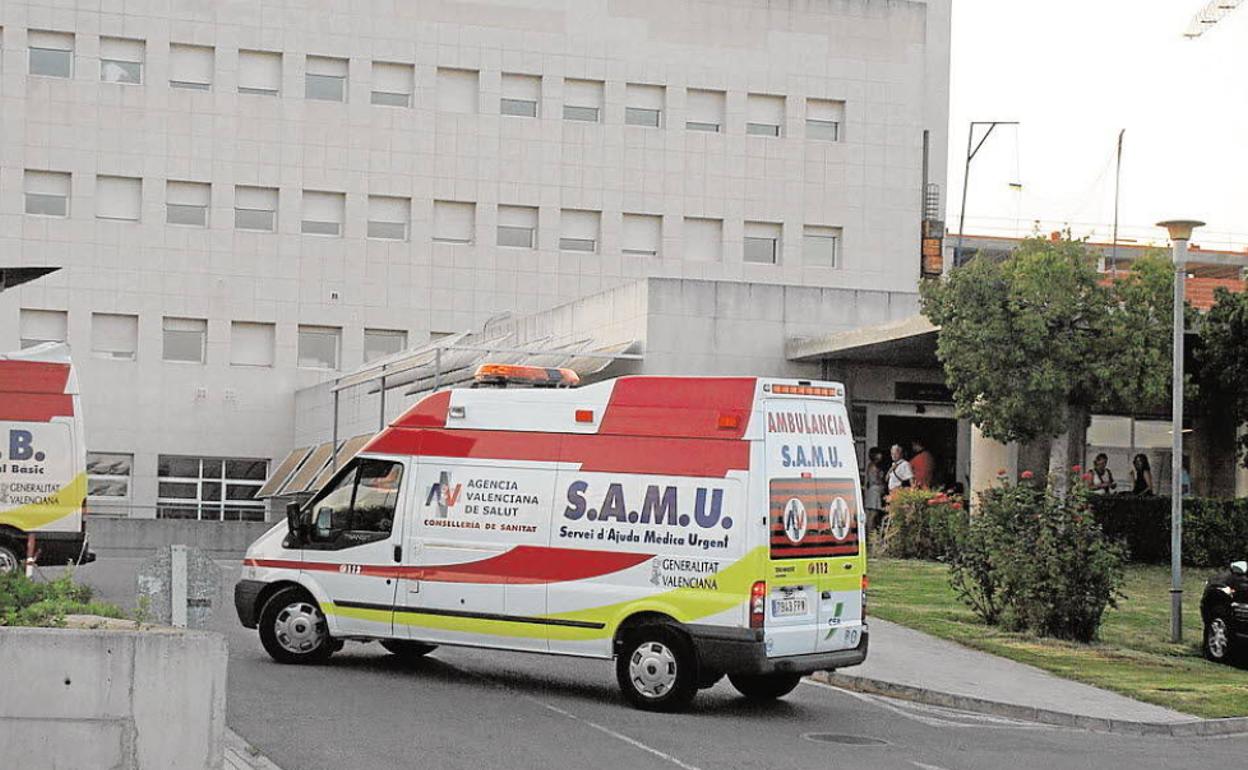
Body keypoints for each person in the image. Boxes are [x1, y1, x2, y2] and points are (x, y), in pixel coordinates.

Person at [863, 447, 886, 533]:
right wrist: (882, 478)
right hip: (874, 491)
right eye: (879, 454)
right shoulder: (873, 467)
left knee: (872, 513)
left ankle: (869, 531)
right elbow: (875, 480)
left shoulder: (872, 465)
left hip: (873, 490)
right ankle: (869, 532)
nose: (881, 455)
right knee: (873, 513)